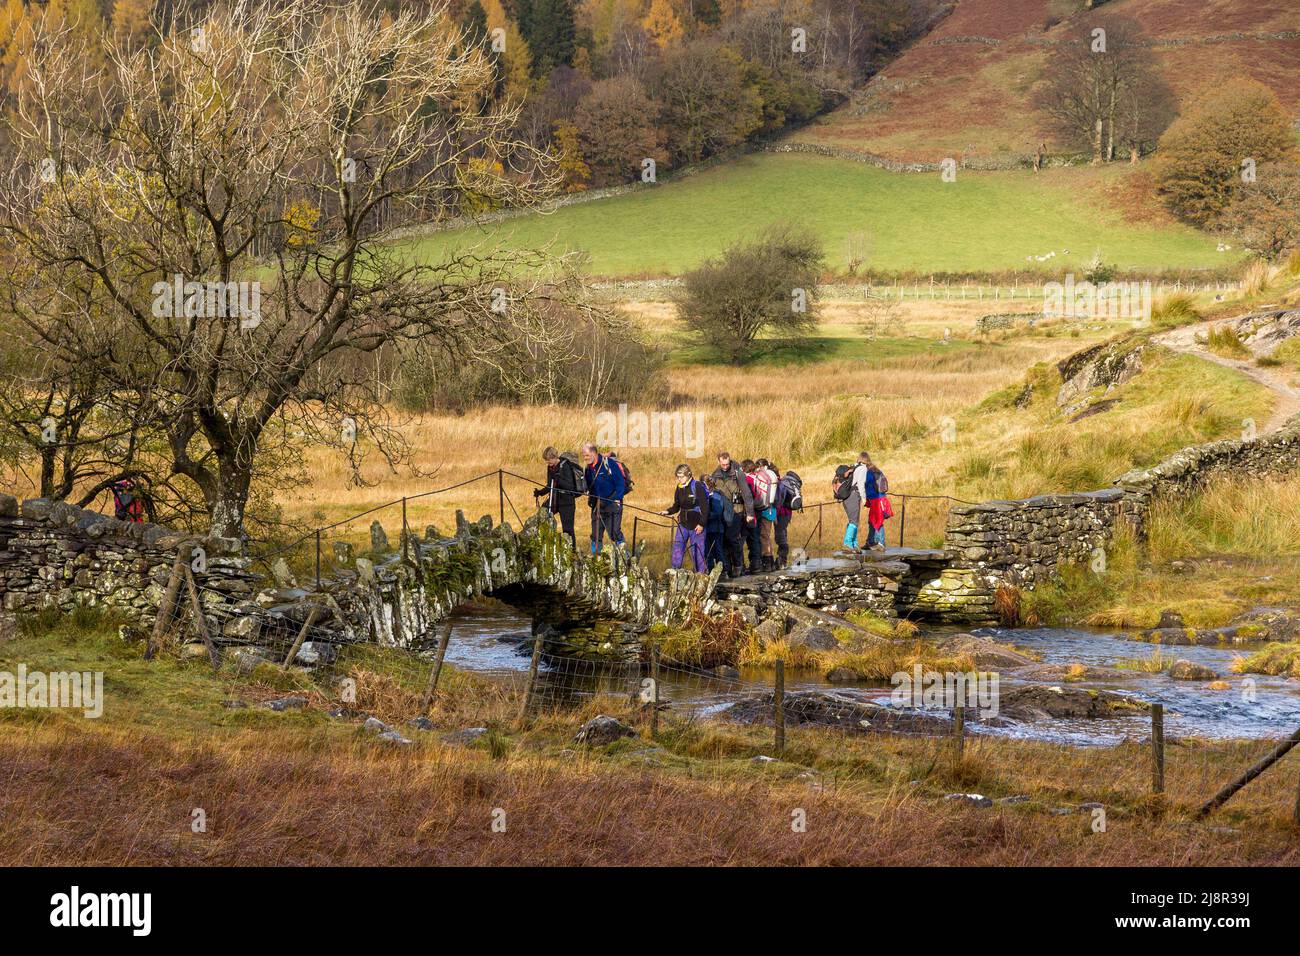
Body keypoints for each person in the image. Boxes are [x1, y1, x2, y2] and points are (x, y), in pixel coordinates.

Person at [709, 452, 754, 577]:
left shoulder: (737, 473)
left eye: (727, 464)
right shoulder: (715, 475)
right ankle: (726, 568)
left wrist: (750, 512)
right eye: (722, 464)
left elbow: (746, 493)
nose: (725, 466)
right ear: (718, 461)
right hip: (722, 511)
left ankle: (738, 565)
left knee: (733, 539)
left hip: (736, 510)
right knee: (723, 541)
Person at [660, 464, 708, 571]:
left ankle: (700, 575)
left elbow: (705, 508)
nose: (679, 479)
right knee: (678, 547)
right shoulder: (679, 487)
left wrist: (702, 524)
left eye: (681, 476)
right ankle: (674, 572)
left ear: (689, 475)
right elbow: (677, 505)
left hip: (697, 526)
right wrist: (667, 511)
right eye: (678, 477)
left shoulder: (697, 486)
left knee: (697, 552)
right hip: (683, 524)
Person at [532, 446, 582, 544]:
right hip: (554, 499)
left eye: (549, 461)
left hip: (567, 502)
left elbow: (570, 487)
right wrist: (540, 492)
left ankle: (572, 553)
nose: (548, 463)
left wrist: (558, 479)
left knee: (568, 529)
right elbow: (550, 485)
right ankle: (545, 544)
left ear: (555, 457)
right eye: (546, 461)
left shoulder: (566, 466)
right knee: (543, 515)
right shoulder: (550, 467)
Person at [582, 442, 625, 553]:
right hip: (597, 505)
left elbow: (620, 482)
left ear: (594, 453)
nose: (585, 458)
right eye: (583, 455)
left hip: (613, 503)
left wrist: (618, 498)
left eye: (586, 455)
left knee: (614, 533)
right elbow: (589, 486)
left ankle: (625, 558)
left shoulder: (609, 464)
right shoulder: (588, 469)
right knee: (596, 535)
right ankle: (596, 560)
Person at [750, 458, 780, 572]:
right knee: (766, 536)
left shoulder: (763, 477)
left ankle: (767, 561)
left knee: (764, 536)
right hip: (771, 510)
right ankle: (769, 562)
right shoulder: (774, 477)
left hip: (765, 510)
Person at [862, 454, 891, 551]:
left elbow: (865, 483)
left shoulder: (869, 472)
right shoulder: (875, 469)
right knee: (871, 521)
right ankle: (870, 541)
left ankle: (881, 543)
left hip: (877, 500)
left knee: (878, 521)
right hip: (880, 499)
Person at [741, 459, 763, 573]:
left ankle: (742, 565)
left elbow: (748, 497)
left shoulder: (746, 479)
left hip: (748, 513)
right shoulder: (757, 477)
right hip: (758, 511)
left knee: (742, 539)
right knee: (755, 539)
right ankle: (757, 564)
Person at [703, 476, 728, 573]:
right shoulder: (708, 496)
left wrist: (705, 516)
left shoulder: (716, 496)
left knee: (717, 550)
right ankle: (710, 569)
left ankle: (723, 570)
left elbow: (718, 513)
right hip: (709, 528)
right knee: (708, 551)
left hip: (716, 529)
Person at [833, 462, 861, 550]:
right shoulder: (849, 474)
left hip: (846, 499)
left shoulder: (837, 479)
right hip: (851, 498)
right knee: (854, 522)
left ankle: (853, 543)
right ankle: (848, 543)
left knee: (853, 521)